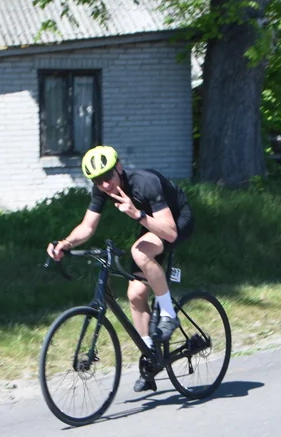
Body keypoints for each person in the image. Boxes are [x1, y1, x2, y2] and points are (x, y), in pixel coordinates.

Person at [47, 145, 195, 392]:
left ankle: (169, 312)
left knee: (140, 251)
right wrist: (65, 243)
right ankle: (151, 359)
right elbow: (87, 227)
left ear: (119, 168)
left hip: (177, 221)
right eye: (97, 180)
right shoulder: (102, 190)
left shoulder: (145, 183)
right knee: (135, 294)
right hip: (149, 222)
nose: (104, 185)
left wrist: (137, 214)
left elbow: (169, 233)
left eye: (107, 177)